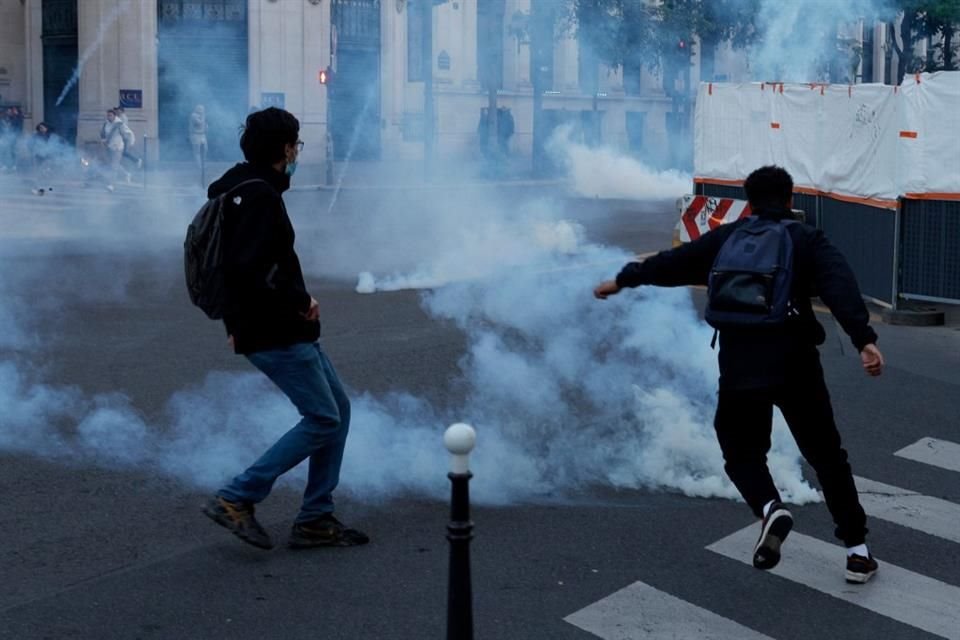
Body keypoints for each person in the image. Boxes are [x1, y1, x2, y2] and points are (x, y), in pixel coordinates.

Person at [593, 165, 884, 584]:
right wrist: (864, 340)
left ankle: (770, 508)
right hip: (795, 363)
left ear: (747, 203)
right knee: (827, 458)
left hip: (739, 364)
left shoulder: (728, 238)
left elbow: (673, 263)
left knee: (741, 453)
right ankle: (857, 552)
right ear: (790, 200)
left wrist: (622, 280)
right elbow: (840, 285)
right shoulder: (805, 239)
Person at [201, 107, 368, 551]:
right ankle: (237, 497)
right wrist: (301, 301)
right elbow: (249, 269)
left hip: (265, 325)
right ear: (284, 148)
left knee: (338, 410)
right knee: (322, 417)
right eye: (294, 144)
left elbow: (233, 267)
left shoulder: (238, 186)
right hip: (276, 327)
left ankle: (316, 517)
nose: (297, 153)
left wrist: (234, 322)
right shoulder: (258, 196)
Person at [100, 109, 133, 189]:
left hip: (118, 147)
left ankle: (111, 184)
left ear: (114, 116)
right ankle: (126, 174)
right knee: (112, 164)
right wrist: (103, 141)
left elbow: (127, 134)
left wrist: (130, 143)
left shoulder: (119, 124)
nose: (108, 117)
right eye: (108, 115)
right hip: (109, 146)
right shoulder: (106, 123)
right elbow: (102, 133)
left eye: (110, 115)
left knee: (114, 166)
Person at [188, 104, 208, 172]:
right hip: (195, 135)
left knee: (205, 149)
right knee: (197, 151)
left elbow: (204, 125)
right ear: (197, 109)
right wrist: (203, 117)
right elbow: (199, 123)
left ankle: (203, 164)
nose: (203, 110)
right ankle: (199, 166)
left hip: (202, 135)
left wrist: (206, 127)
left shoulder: (202, 116)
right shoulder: (194, 115)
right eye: (201, 109)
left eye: (203, 109)